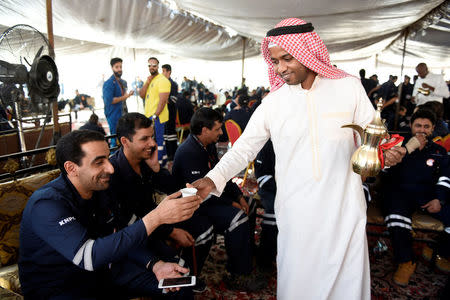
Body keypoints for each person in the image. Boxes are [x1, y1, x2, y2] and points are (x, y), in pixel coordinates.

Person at [191, 18, 406, 299]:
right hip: (296, 210)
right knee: (299, 283)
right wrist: (212, 178)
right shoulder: (274, 103)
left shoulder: (349, 88)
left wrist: (389, 153)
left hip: (343, 208)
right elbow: (244, 148)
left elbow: (375, 137)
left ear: (307, 52)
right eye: (275, 61)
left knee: (346, 283)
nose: (280, 69)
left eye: (287, 58)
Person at [19, 130, 201, 299]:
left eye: (108, 158)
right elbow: (88, 256)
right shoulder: (46, 204)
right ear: (71, 168)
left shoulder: (99, 189)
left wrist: (155, 264)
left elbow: (119, 234)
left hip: (102, 272)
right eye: (99, 162)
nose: (111, 168)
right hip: (58, 287)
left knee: (178, 286)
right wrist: (156, 217)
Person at [172, 107, 263, 292]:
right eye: (217, 129)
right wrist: (232, 203)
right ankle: (237, 274)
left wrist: (238, 196)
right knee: (237, 218)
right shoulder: (188, 152)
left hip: (212, 198)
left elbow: (221, 175)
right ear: (204, 130)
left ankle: (246, 253)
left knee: (250, 203)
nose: (221, 132)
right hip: (196, 205)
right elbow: (200, 195)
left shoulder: (207, 145)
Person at [381, 109, 450, 286]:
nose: (421, 130)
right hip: (400, 194)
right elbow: (385, 171)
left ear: (433, 128)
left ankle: (437, 250)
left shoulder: (440, 151)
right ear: (411, 126)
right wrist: (407, 149)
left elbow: (445, 177)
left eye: (426, 127)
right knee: (396, 219)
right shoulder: (398, 145)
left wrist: (439, 199)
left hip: (427, 197)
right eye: (418, 125)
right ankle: (406, 262)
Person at [140, 57, 171, 166]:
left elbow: (162, 101)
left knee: (158, 141)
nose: (151, 67)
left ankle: (159, 165)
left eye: (154, 65)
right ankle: (164, 162)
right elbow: (142, 95)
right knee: (158, 140)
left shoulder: (163, 80)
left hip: (157, 117)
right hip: (149, 116)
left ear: (158, 66)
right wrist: (147, 83)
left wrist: (155, 116)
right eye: (149, 65)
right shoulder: (149, 79)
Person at [103, 57, 134, 147]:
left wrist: (127, 96)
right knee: (115, 139)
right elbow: (110, 100)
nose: (119, 69)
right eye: (117, 67)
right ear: (112, 68)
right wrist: (126, 96)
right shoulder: (108, 83)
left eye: (120, 67)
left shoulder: (121, 82)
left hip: (122, 113)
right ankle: (114, 158)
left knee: (123, 138)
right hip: (113, 115)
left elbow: (122, 99)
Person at [162, 64, 179, 161]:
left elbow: (173, 100)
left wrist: (162, 99)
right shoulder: (162, 83)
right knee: (165, 134)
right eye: (162, 71)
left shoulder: (173, 84)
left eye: (164, 71)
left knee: (171, 133)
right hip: (163, 113)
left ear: (169, 72)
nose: (163, 73)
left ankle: (173, 154)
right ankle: (168, 153)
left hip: (170, 112)